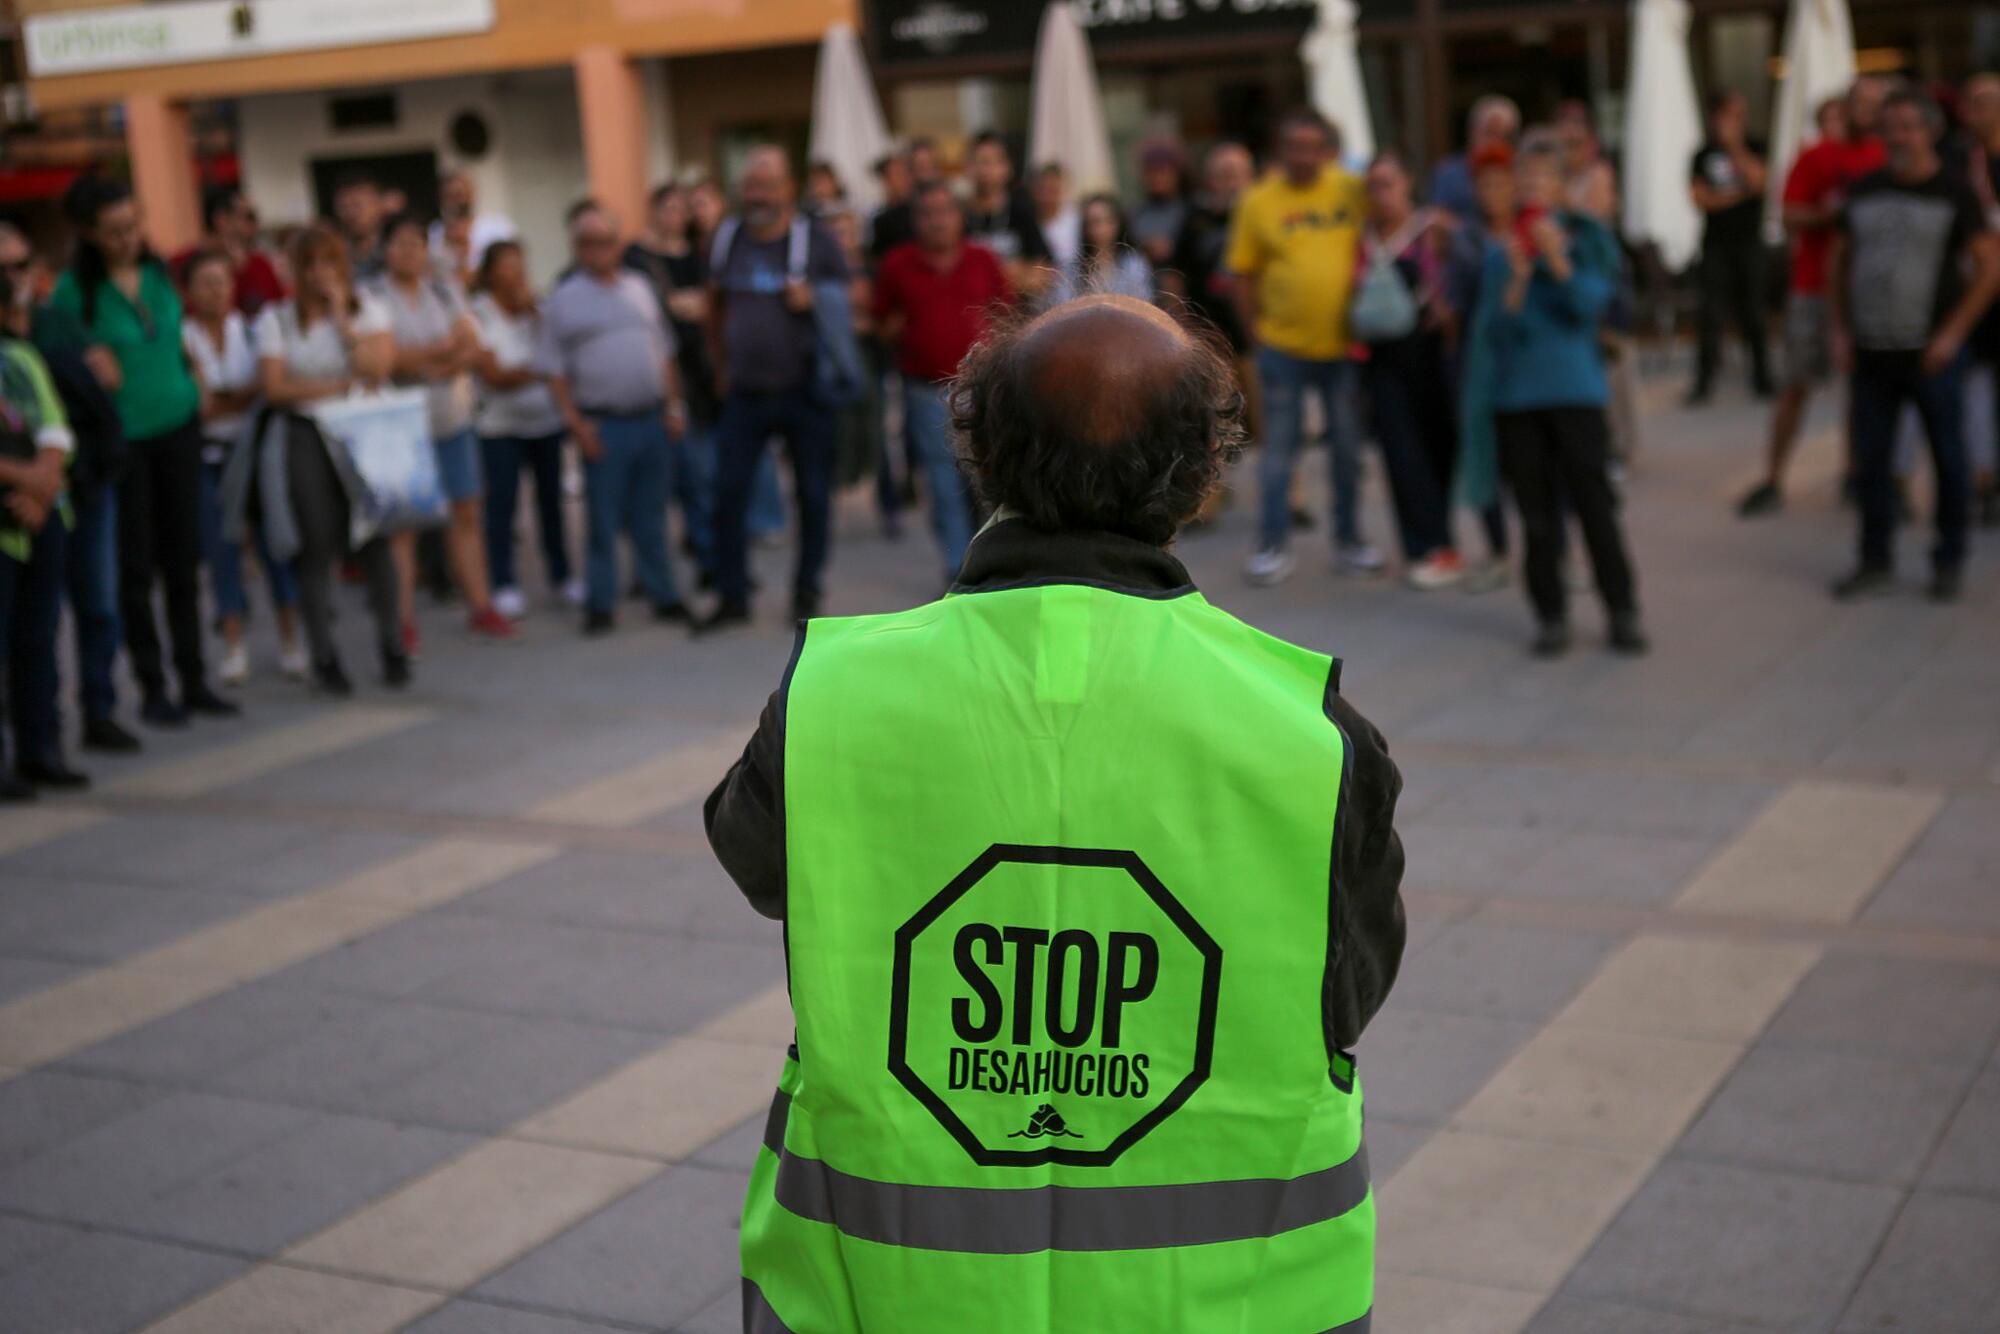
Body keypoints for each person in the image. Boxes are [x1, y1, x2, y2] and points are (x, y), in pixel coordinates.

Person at [707, 293, 1405, 1333]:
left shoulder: (831, 698)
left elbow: (761, 862)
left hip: (883, 1299)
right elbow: (1347, 986)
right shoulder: (1308, 733)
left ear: (978, 453)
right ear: (1202, 474)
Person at [53, 175, 238, 725]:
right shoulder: (74, 293)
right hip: (126, 442)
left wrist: (194, 373)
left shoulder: (158, 273)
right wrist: (90, 371)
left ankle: (195, 678)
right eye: (114, 231)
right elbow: (60, 366)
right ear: (89, 234)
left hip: (179, 428)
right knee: (136, 571)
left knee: (184, 562)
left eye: (133, 225)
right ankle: (153, 685)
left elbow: (173, 333)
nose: (129, 237)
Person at [1471, 135, 1646, 656]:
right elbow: (1496, 332)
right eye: (1524, 180)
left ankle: (1623, 610)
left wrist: (1557, 259)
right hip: (1519, 400)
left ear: (1561, 186)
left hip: (1576, 393)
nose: (1532, 189)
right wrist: (1521, 275)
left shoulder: (1586, 236)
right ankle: (1550, 615)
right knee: (1537, 516)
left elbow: (1591, 306)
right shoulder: (1505, 249)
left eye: (1543, 179)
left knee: (1596, 507)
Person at [1826, 88, 2000, 604]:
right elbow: (1840, 261)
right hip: (1871, 352)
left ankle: (1948, 559)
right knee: (1872, 464)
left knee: (1949, 458)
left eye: (1907, 126)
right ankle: (1874, 557)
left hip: (1932, 353)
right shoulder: (1862, 190)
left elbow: (1991, 269)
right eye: (1890, 126)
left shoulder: (1954, 192)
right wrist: (1839, 328)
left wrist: (1953, 333)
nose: (1897, 136)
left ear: (1930, 132)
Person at [237, 226, 406, 694]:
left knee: (376, 542)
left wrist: (341, 320)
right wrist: (338, 388)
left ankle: (392, 646)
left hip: (362, 434)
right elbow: (276, 389)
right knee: (315, 544)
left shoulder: (366, 308)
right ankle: (325, 656)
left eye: (328, 264)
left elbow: (377, 371)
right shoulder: (278, 319)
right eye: (309, 265)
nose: (319, 275)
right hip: (306, 435)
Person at [1227, 107, 1382, 584]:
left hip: (1344, 349)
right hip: (1282, 350)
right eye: (1295, 147)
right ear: (1280, 151)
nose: (1304, 156)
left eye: (1313, 147)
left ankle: (1350, 541)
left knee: (1346, 452)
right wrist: (1254, 333)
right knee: (1278, 454)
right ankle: (1271, 545)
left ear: (1326, 151)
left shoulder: (1348, 189)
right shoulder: (1257, 200)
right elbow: (1242, 274)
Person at [0, 224, 138, 754]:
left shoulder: (55, 325)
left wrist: (45, 479)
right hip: (20, 502)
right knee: (29, 630)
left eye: (20, 264)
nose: (13, 277)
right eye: (3, 268)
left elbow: (88, 395)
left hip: (70, 487)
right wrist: (27, 483)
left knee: (95, 604)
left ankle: (86, 719)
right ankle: (32, 736)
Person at [700, 147, 850, 630]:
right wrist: (720, 366)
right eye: (750, 184)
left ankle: (806, 591)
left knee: (812, 495)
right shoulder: (726, 239)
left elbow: (854, 300)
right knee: (727, 494)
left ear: (789, 188)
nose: (757, 194)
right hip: (744, 392)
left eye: (767, 184)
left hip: (804, 390)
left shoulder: (817, 240)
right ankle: (732, 594)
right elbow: (713, 306)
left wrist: (816, 300)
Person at [537, 202, 690, 635]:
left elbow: (664, 354)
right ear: (576, 247)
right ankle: (600, 604)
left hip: (651, 418)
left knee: (652, 516)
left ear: (618, 245)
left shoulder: (640, 287)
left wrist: (675, 407)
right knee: (602, 521)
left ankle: (664, 595)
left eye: (605, 241)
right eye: (588, 242)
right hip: (603, 424)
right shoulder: (564, 299)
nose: (598, 250)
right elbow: (554, 370)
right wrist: (575, 423)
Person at [1739, 81, 1888, 517]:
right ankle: (1773, 477)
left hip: (1870, 293)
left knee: (1862, 392)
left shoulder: (1886, 158)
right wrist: (1831, 213)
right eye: (1858, 103)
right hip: (1813, 288)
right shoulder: (1814, 157)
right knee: (1796, 385)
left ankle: (1857, 474)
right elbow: (1788, 215)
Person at [373, 211, 512, 644]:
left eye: (417, 243)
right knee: (405, 527)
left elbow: (473, 346)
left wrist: (435, 362)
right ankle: (403, 621)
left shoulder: (445, 291)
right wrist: (440, 351)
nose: (409, 252)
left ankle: (481, 606)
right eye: (400, 243)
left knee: (466, 513)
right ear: (386, 250)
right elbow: (387, 359)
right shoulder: (374, 297)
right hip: (401, 425)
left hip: (453, 418)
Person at [872, 179, 1013, 582]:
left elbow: (1007, 315)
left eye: (944, 212)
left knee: (989, 477)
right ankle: (959, 568)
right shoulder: (898, 265)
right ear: (917, 220)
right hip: (924, 388)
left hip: (983, 389)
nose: (937, 221)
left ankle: (997, 562)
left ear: (959, 216)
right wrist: (892, 330)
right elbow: (881, 324)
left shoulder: (983, 259)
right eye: (928, 213)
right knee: (942, 480)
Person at [182, 249, 305, 685]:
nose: (216, 291)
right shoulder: (184, 338)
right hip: (209, 456)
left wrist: (231, 396)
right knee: (222, 550)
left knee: (276, 546)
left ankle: (292, 640)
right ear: (190, 291)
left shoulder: (252, 331)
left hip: (253, 453)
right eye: (206, 283)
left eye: (222, 281)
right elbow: (203, 406)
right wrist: (243, 393)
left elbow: (266, 389)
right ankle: (235, 645)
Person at [1356, 152, 1461, 589]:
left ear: (1407, 183)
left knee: (1440, 447)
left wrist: (1449, 309)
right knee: (1400, 451)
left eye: (1388, 183)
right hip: (1381, 356)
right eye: (1373, 185)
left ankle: (1442, 542)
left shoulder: (1433, 228)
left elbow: (1463, 272)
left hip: (1429, 352)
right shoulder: (1362, 238)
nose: (1381, 194)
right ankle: (1422, 547)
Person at [0, 266, 85, 797]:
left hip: (43, 512)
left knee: (39, 638)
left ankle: (41, 748)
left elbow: (54, 424)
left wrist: (44, 480)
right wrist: (25, 479)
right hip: (8, 514)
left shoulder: (23, 357)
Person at [469, 240, 574, 618]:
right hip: (499, 427)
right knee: (502, 506)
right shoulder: (478, 313)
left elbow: (560, 360)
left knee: (551, 504)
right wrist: (539, 372)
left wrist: (536, 317)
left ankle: (561, 577)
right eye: (506, 266)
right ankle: (503, 583)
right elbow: (495, 375)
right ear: (490, 271)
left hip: (544, 423)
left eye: (520, 264)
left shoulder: (539, 311)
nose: (515, 274)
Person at [625, 183, 719, 585]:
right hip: (658, 370)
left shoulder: (701, 254)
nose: (677, 217)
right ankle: (649, 569)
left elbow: (712, 304)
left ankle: (704, 554)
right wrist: (684, 304)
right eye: (669, 208)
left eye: (683, 210)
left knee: (699, 474)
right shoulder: (637, 257)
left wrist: (695, 305)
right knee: (657, 480)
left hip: (701, 372)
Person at [1555, 100, 1642, 463]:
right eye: (1562, 143)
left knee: (1615, 363)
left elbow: (1591, 215)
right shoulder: (1561, 180)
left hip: (1603, 283)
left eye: (1574, 143)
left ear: (1590, 144)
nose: (1567, 151)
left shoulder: (1598, 176)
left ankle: (1621, 445)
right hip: (1573, 284)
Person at [1688, 89, 1774, 403]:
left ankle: (1762, 377)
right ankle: (1703, 382)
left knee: (1753, 312)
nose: (1733, 122)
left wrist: (1735, 149)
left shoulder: (1755, 146)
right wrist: (1739, 195)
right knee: (1710, 315)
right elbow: (1702, 200)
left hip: (1749, 242)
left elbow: (1760, 183)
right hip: (1715, 246)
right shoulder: (1702, 154)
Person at [964, 132, 1054, 299]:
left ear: (1007, 168)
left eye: (992, 162)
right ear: (967, 167)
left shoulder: (1021, 210)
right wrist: (1013, 272)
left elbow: (1045, 273)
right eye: (979, 162)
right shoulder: (957, 216)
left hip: (1017, 317)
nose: (985, 170)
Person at [176, 185, 286, 318]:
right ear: (221, 220)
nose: (255, 225)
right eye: (248, 217)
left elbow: (280, 313)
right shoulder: (179, 265)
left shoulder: (260, 264)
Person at [1431, 95, 1521, 223]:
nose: (1496, 141)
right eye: (1490, 132)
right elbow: (1438, 217)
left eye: (1506, 136)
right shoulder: (1449, 173)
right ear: (1473, 132)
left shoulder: (1518, 169)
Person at [1052, 193, 1155, 303]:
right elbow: (1063, 303)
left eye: (1107, 220)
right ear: (1085, 227)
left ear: (1118, 223)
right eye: (1094, 222)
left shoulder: (1134, 263)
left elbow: (1143, 302)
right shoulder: (1072, 267)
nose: (1101, 228)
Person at [429, 169, 515, 275]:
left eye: (460, 194)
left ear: (472, 193)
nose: (457, 201)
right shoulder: (434, 232)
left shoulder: (498, 226)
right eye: (449, 195)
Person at [1131, 140, 1190, 266]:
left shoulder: (1192, 210)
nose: (1156, 178)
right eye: (1151, 172)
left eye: (1162, 171)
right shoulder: (1135, 214)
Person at [333, 173, 391, 284]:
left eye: (357, 205)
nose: (351, 213)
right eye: (343, 207)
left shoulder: (398, 249)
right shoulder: (334, 256)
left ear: (378, 205)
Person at [867, 149, 916, 263]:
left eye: (905, 173)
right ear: (885, 180)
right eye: (896, 174)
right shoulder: (876, 215)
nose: (902, 179)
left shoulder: (921, 212)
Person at [1032, 161, 1081, 274]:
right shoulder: (1027, 219)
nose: (1047, 197)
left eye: (1053, 191)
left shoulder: (1077, 220)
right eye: (1043, 190)